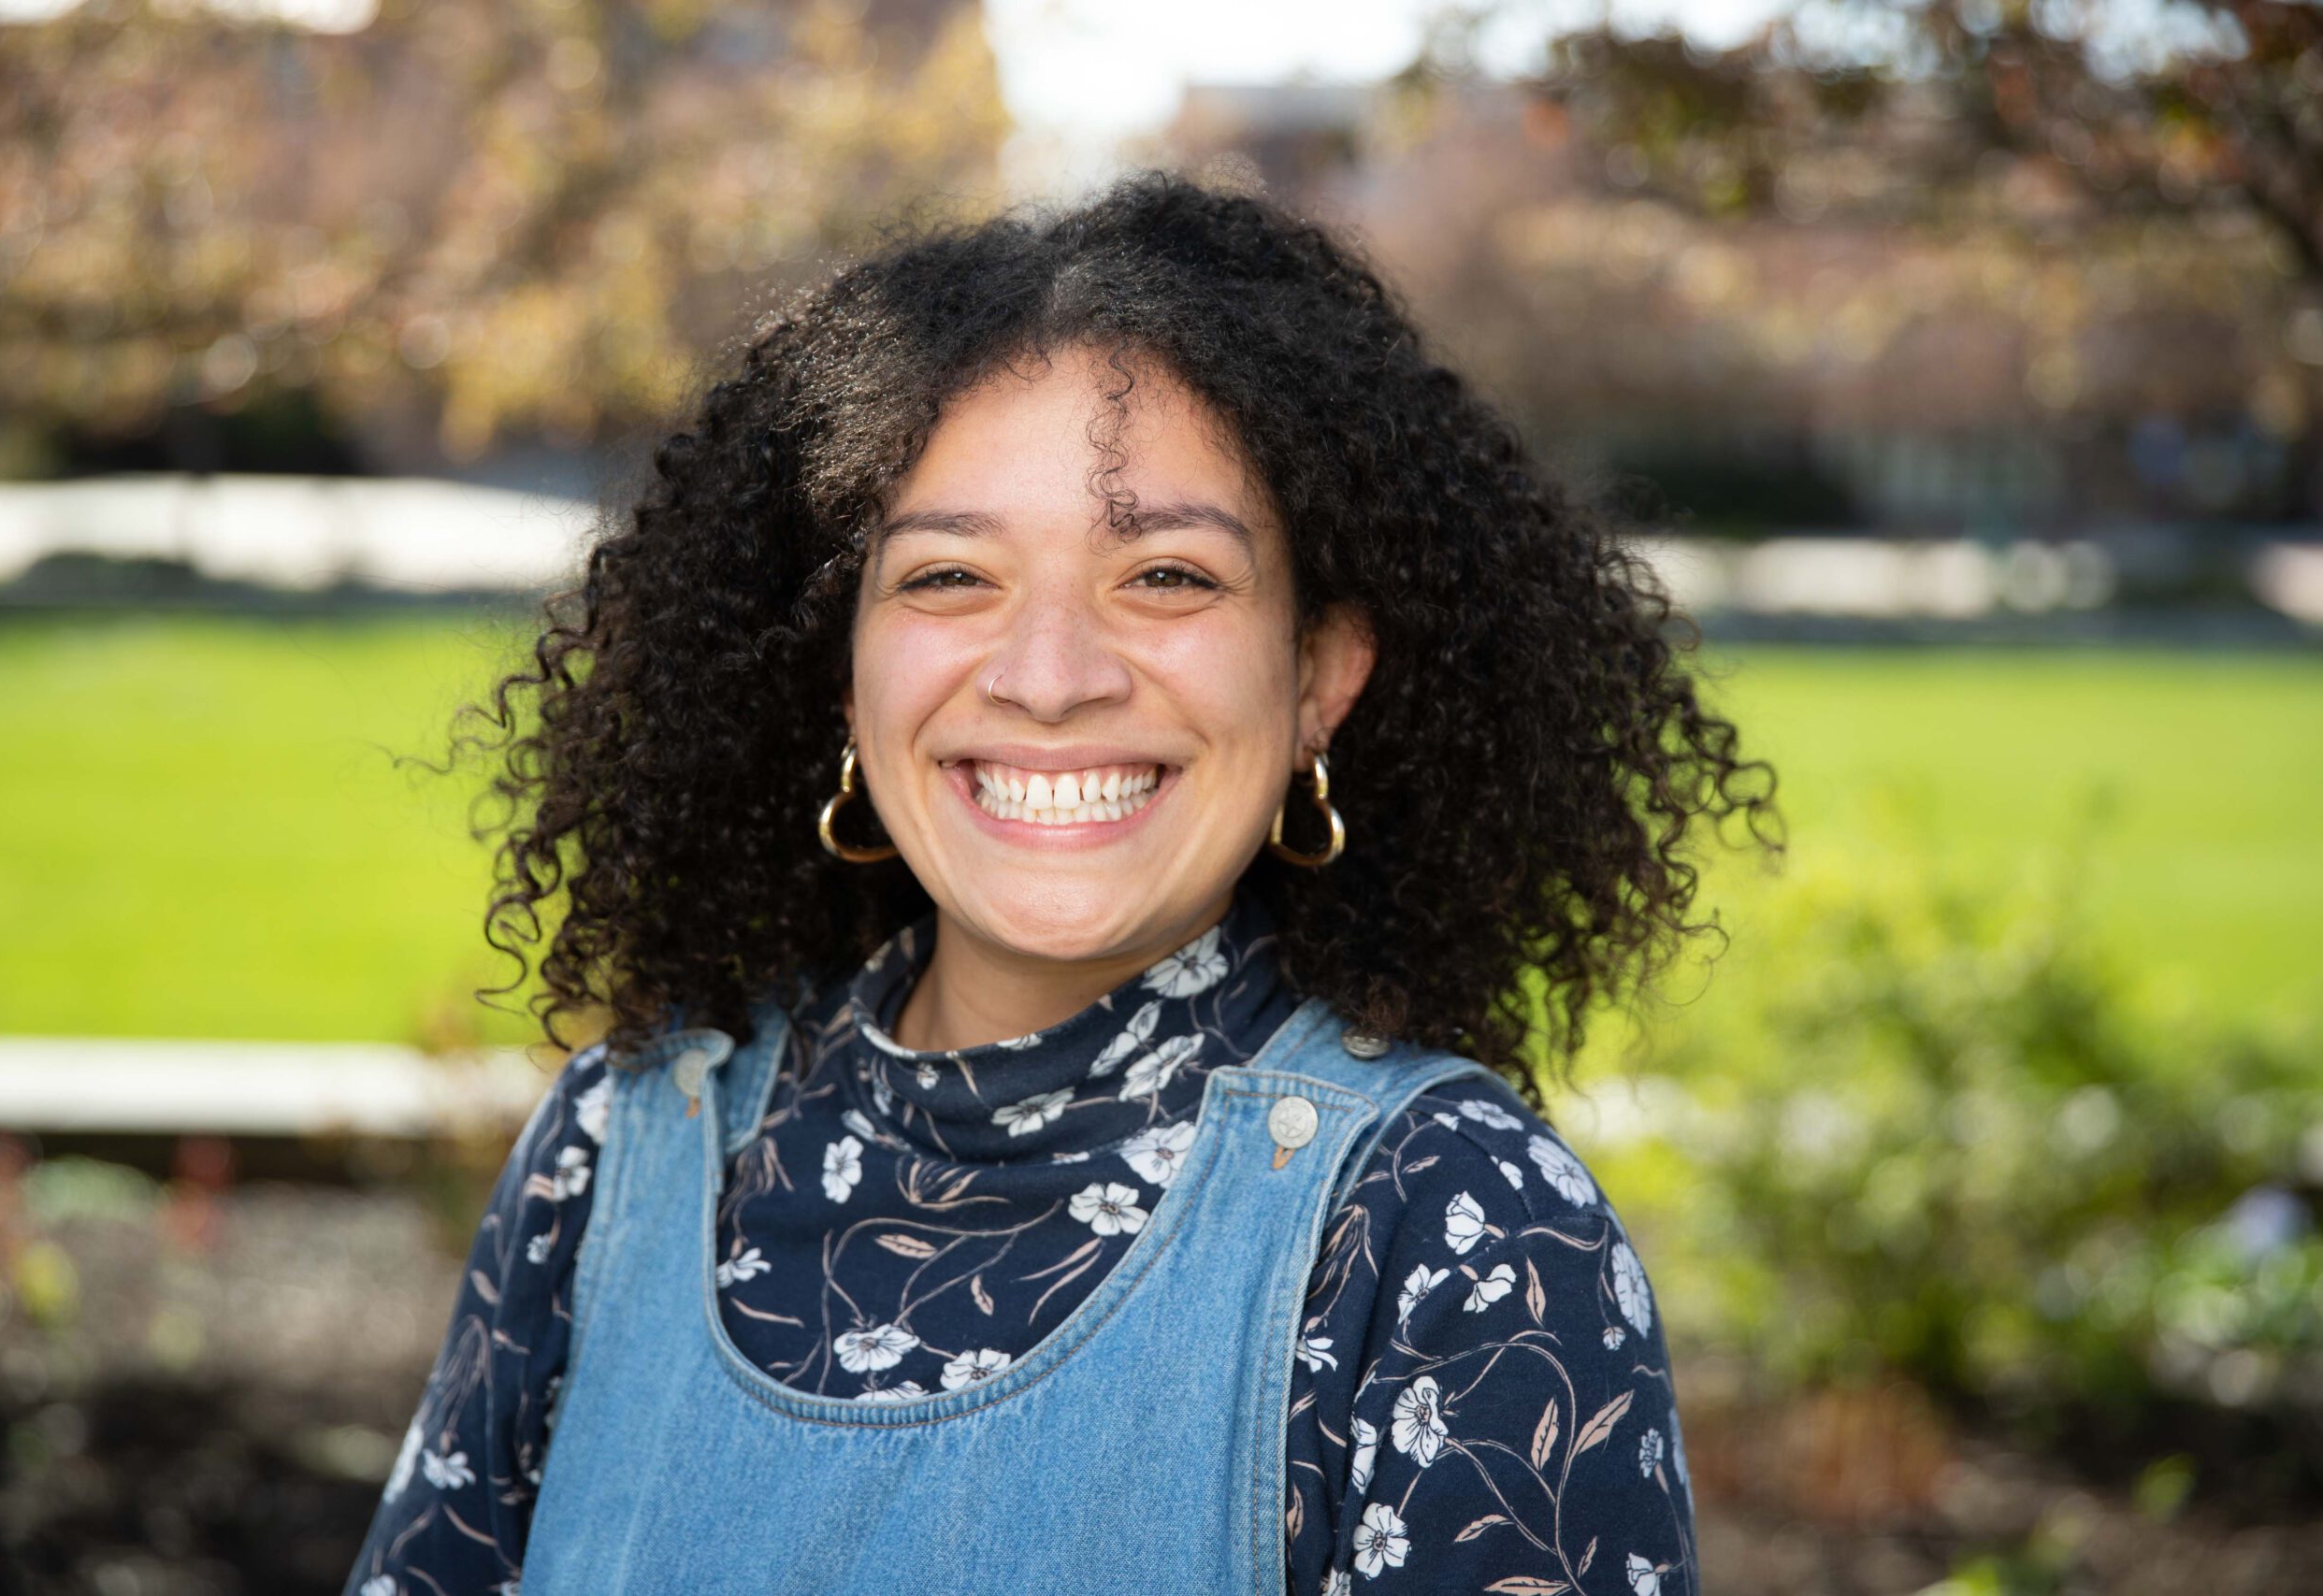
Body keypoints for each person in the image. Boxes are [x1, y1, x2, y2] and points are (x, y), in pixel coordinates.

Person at [342, 171, 1775, 1596]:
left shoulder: (1458, 1237)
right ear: (839, 670)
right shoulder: (624, 1142)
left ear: (1322, 677)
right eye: (950, 579)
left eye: (1165, 576)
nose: (1048, 679)